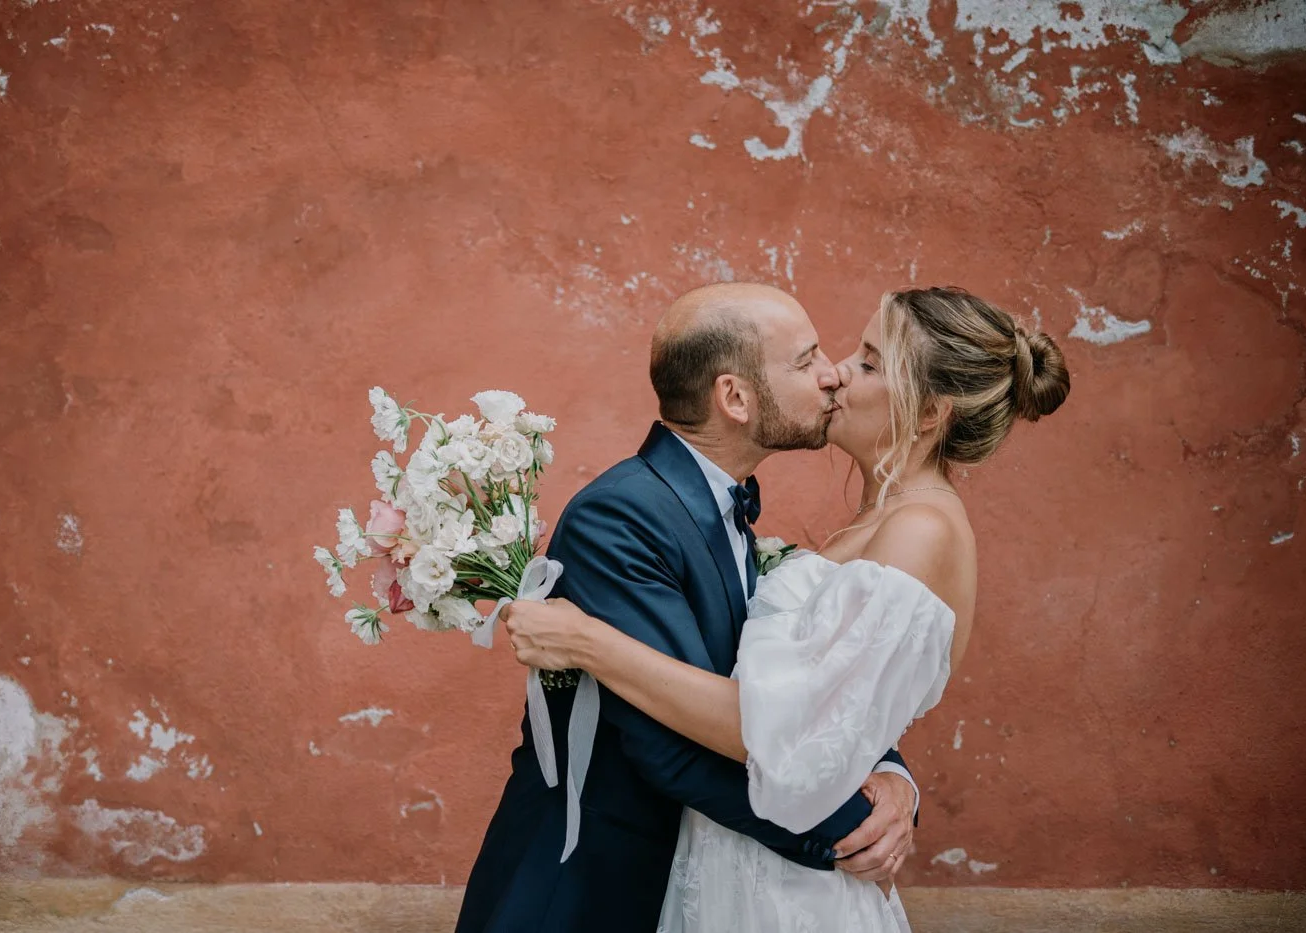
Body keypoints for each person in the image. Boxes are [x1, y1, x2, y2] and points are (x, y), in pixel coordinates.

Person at [504, 285, 1071, 931]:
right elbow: (826, 702)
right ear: (733, 397)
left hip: (782, 890)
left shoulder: (920, 530)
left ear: (928, 413)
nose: (835, 374)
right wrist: (882, 780)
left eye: (866, 361)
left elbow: (785, 728)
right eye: (822, 358)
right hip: (700, 866)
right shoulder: (653, 512)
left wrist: (588, 643)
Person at [455, 283, 921, 933]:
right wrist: (852, 829)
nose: (831, 374)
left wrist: (888, 773)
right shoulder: (619, 517)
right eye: (805, 359)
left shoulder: (718, 503)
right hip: (587, 886)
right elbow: (672, 747)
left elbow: (786, 683)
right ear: (735, 397)